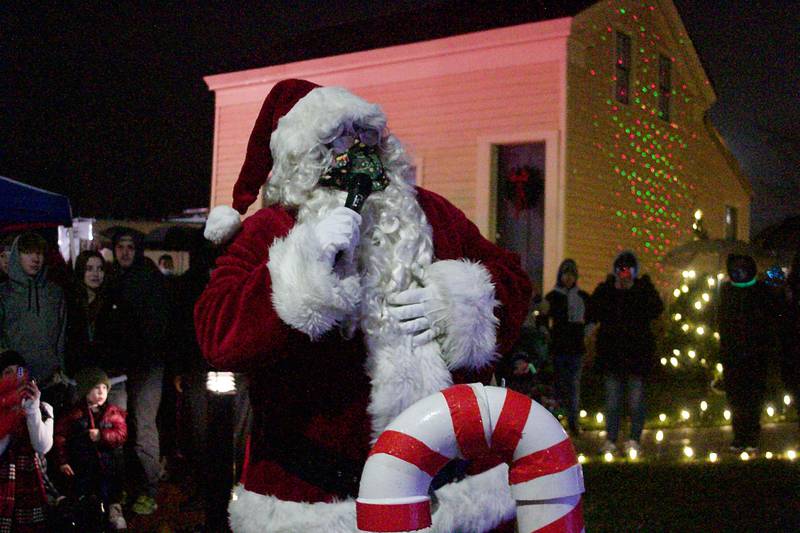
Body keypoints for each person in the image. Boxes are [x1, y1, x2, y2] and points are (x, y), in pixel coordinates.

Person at [195, 79, 531, 532]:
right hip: (317, 498)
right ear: (304, 156)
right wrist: (302, 268)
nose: (356, 148)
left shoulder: (432, 213)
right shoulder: (272, 228)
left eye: (365, 133)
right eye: (337, 138)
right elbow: (217, 331)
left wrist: (461, 303)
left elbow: (511, 279)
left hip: (449, 494)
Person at [104, 228, 168, 515]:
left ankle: (149, 489)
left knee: (143, 427)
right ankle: (123, 485)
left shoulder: (150, 277)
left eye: (130, 247)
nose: (125, 252)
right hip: (119, 367)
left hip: (147, 365)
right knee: (118, 426)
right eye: (121, 247)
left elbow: (159, 324)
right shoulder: (110, 277)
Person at [588, 251, 663, 456]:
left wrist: (640, 289)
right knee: (612, 402)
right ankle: (611, 439)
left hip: (637, 355)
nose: (624, 273)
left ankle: (634, 439)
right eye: (621, 269)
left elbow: (657, 308)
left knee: (636, 401)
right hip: (612, 355)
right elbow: (593, 310)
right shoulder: (606, 290)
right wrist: (610, 290)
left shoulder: (642, 289)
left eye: (628, 269)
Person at [0, 232, 68, 414]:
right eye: (28, 252)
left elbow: (61, 334)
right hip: (16, 380)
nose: (35, 258)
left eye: (39, 253)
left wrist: (61, 370)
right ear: (17, 255)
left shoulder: (54, 292)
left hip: (50, 382)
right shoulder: (4, 294)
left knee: (48, 439)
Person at [54, 367, 127, 530]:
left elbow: (121, 434)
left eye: (104, 388)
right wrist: (62, 461)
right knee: (83, 491)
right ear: (85, 391)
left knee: (110, 489)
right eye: (96, 388)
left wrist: (102, 435)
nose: (101, 392)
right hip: (82, 465)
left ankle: (114, 510)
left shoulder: (113, 412)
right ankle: (85, 516)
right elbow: (60, 437)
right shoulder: (73, 414)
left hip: (107, 463)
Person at [717, 254, 773, 453]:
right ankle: (739, 435)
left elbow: (768, 319)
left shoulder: (760, 290)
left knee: (753, 396)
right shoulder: (727, 290)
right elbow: (721, 320)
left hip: (755, 352)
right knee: (736, 397)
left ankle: (751, 435)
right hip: (733, 353)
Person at [0, 350, 53, 532]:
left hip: (31, 489)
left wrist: (33, 411)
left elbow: (42, 446)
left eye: (20, 371)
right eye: (8, 372)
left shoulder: (44, 408)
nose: (16, 376)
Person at [65, 251, 127, 407]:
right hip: (80, 379)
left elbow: (124, 337)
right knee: (80, 427)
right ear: (81, 271)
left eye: (100, 269)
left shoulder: (115, 300)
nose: (95, 274)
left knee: (113, 426)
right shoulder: (70, 301)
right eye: (89, 268)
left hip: (112, 378)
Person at [544, 259, 589, 435]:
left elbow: (592, 317)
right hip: (558, 347)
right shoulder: (553, 297)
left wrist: (585, 333)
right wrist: (548, 335)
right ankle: (556, 423)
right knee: (558, 386)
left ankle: (573, 422)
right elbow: (543, 318)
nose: (568, 278)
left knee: (573, 388)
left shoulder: (582, 297)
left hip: (576, 348)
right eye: (565, 274)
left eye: (571, 274)